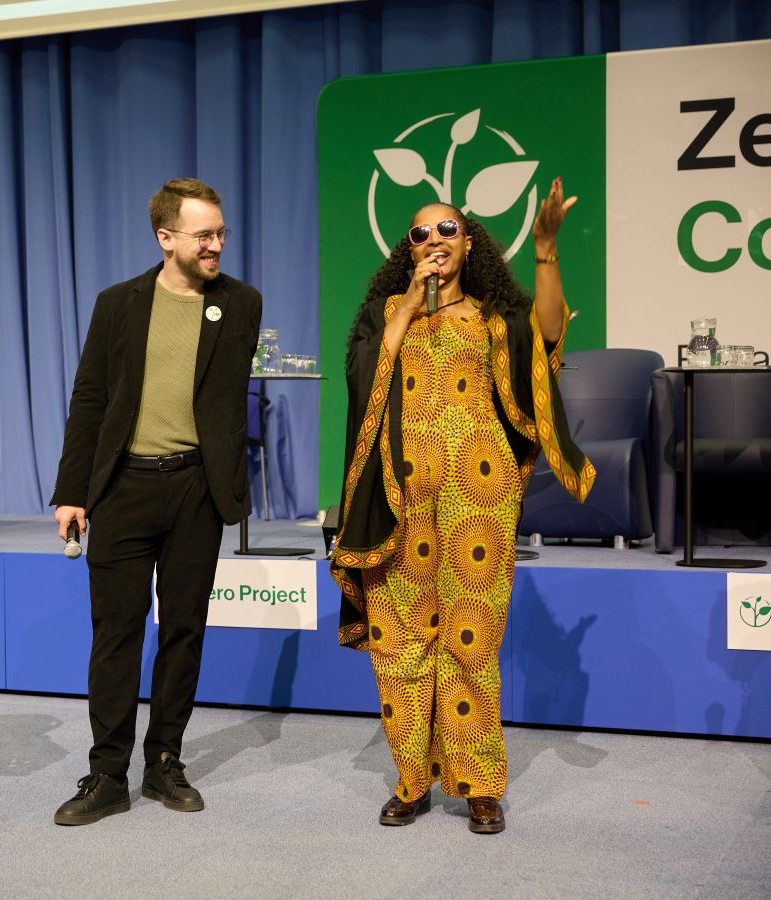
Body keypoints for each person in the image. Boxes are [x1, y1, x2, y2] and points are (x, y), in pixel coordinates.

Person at [330, 179, 594, 834]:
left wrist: (547, 250)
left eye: (447, 230)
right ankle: (412, 779)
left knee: (470, 638)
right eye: (421, 233)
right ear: (409, 249)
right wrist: (409, 304)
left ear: (469, 243)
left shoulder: (495, 317)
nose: (434, 241)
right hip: (396, 497)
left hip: (479, 494)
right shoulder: (387, 311)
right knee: (399, 642)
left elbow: (550, 337)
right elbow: (364, 374)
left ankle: (477, 783)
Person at [50, 178, 262, 825]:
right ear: (165, 237)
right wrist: (72, 491)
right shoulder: (118, 305)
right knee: (115, 635)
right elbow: (90, 398)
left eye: (221, 233)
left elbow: (221, 405)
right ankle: (107, 773)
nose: (217, 245)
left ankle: (164, 760)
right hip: (123, 489)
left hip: (198, 488)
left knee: (183, 631)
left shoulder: (242, 304)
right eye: (204, 235)